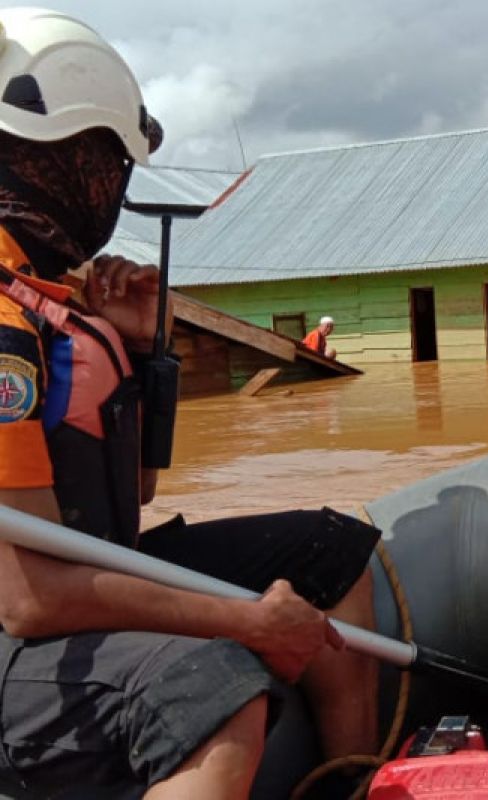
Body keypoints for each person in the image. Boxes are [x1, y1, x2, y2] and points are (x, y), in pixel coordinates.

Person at [0, 9, 379, 798]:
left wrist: (138, 350)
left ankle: (349, 783)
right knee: (211, 686)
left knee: (333, 551)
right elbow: (30, 600)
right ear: (49, 162)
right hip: (19, 633)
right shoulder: (6, 329)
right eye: (102, 163)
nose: (110, 192)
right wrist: (244, 622)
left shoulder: (48, 300)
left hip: (86, 576)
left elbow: (129, 501)